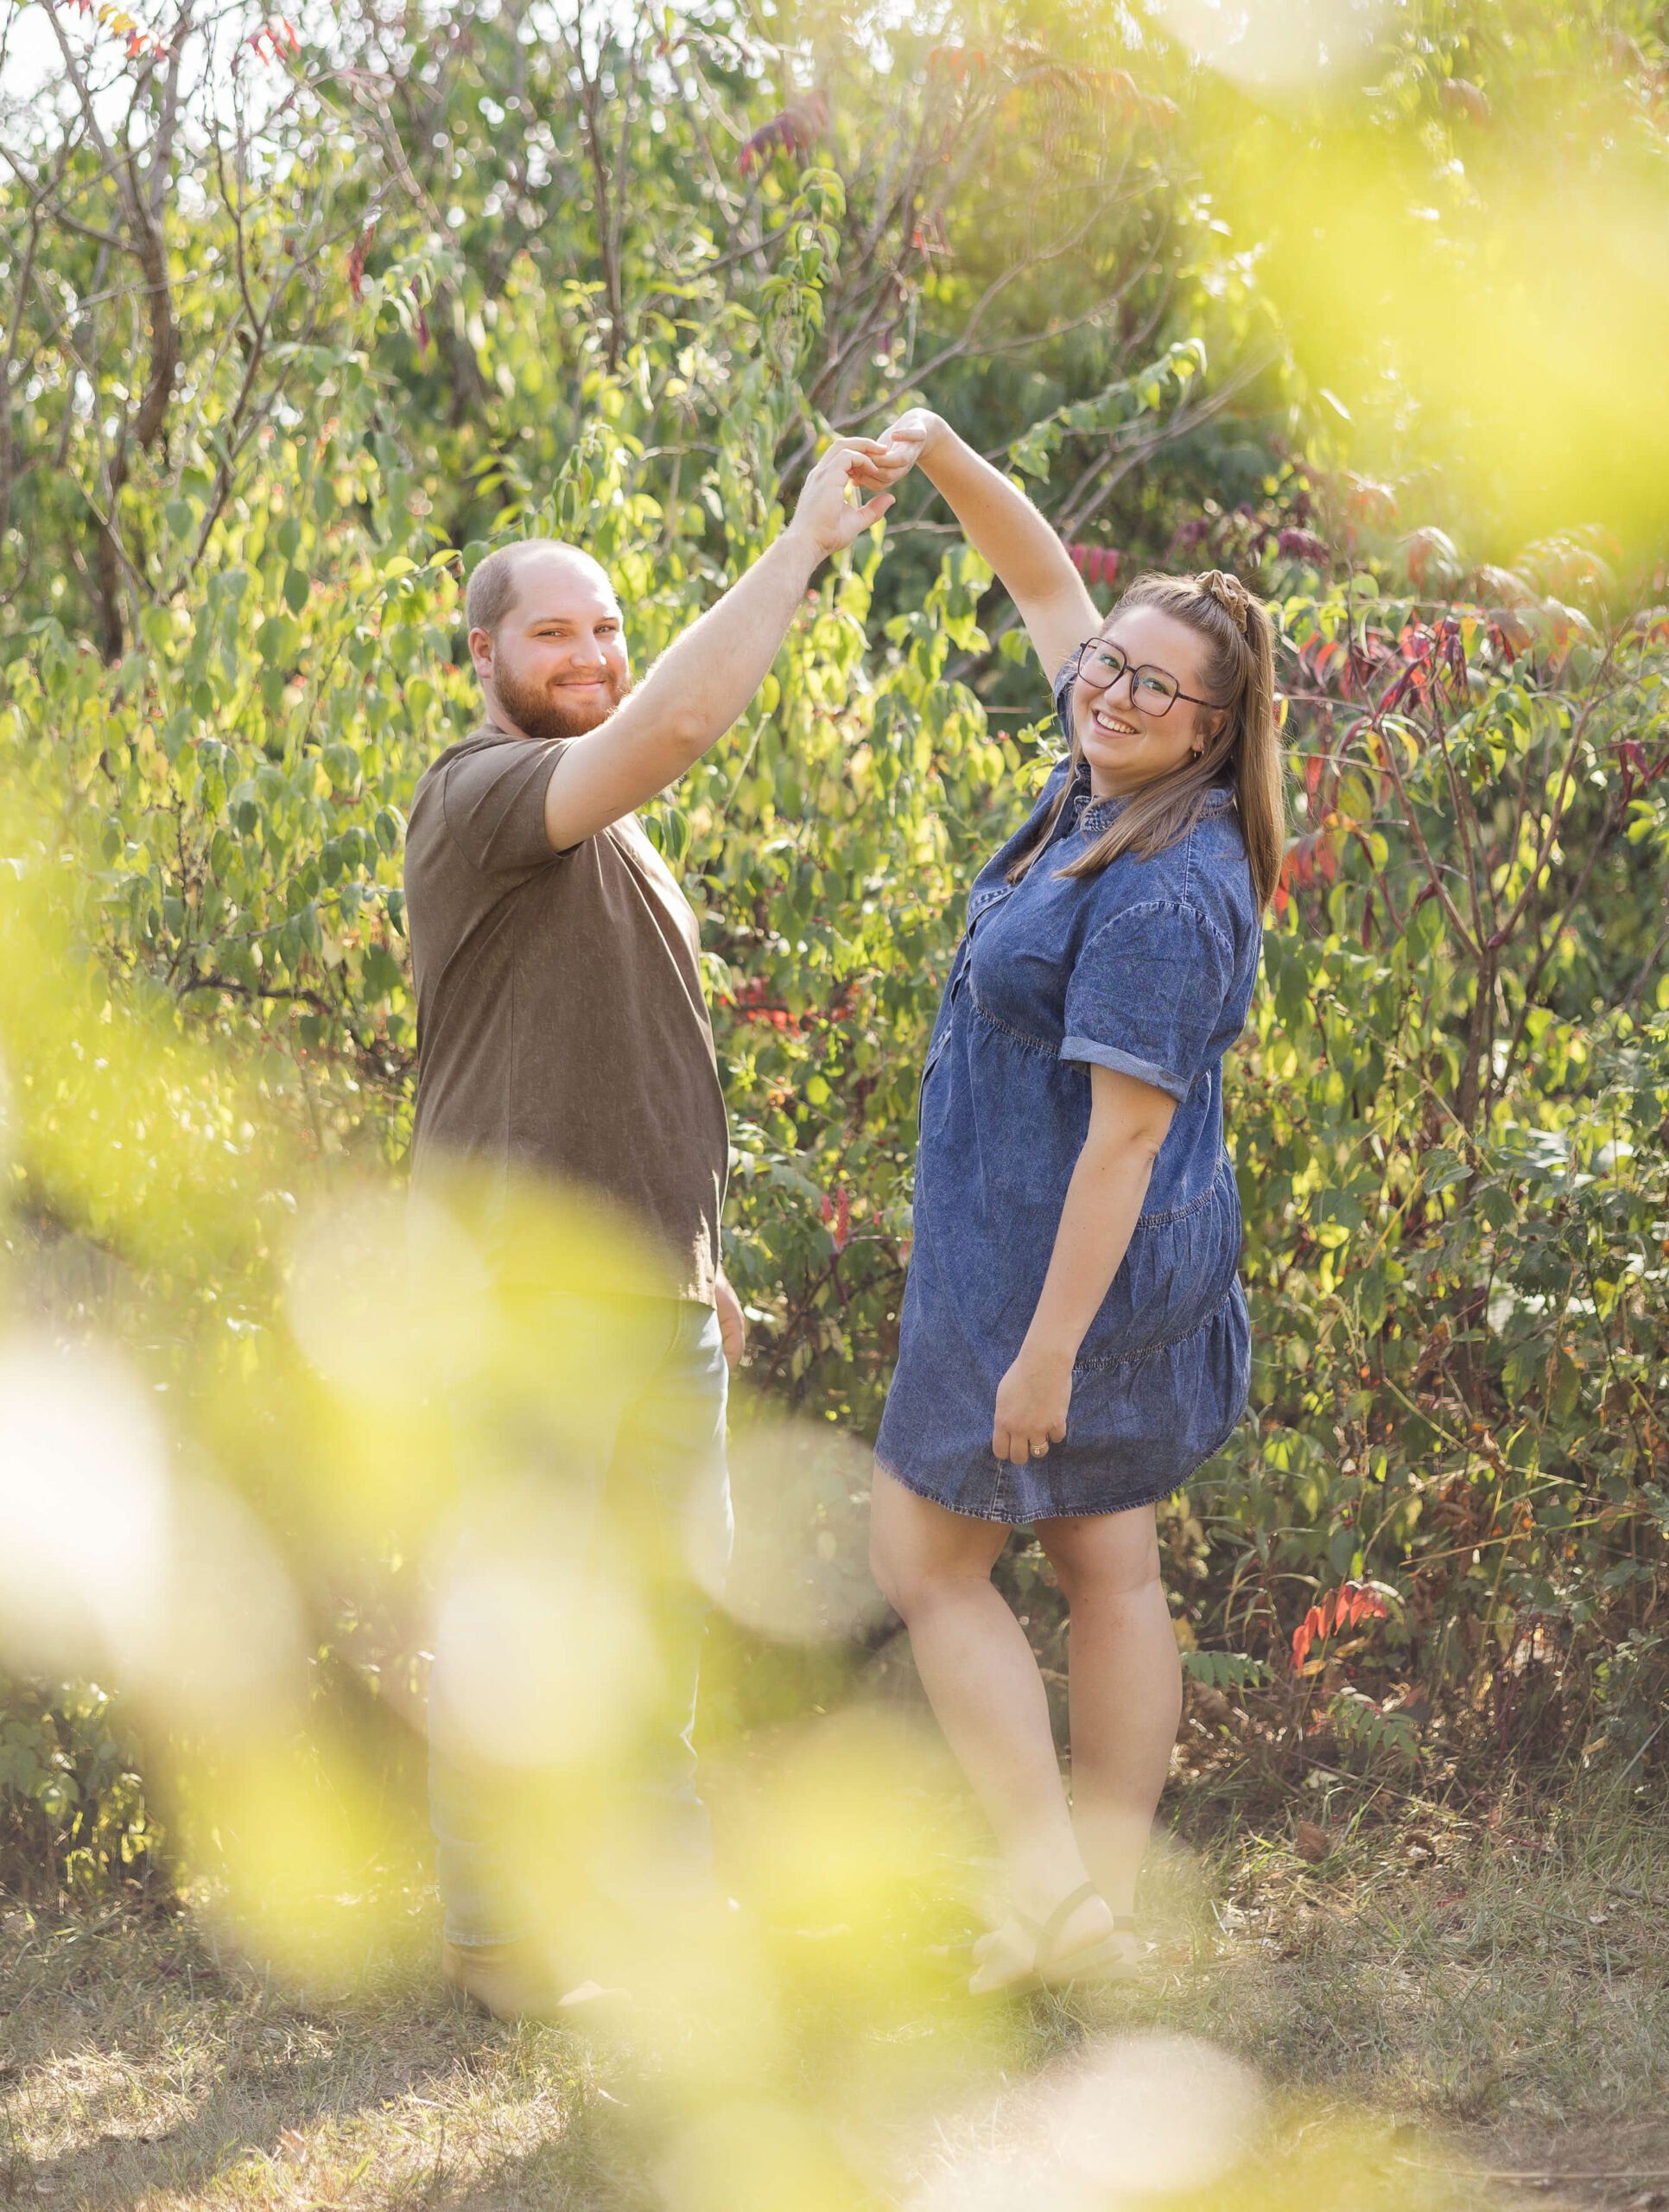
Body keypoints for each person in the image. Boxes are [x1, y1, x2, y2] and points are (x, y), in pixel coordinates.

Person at [403, 436, 894, 2023]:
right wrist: (807, 543)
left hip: (663, 1306)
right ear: (482, 656)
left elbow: (618, 1056)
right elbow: (685, 716)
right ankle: (497, 1946)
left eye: (609, 628)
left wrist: (710, 1264)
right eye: (556, 633)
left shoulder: (621, 842)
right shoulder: (479, 800)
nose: (594, 656)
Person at [852, 412, 1283, 1998]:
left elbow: (1121, 1146)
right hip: (1043, 1264)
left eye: (1154, 686)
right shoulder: (1103, 776)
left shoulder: (1171, 884)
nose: (1109, 686)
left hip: (1066, 1284)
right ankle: (1094, 1898)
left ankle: (1057, 1890)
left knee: (928, 1559)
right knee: (1112, 1565)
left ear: (1213, 729)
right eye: (1110, 663)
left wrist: (1041, 1357)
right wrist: (944, 452)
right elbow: (1042, 574)